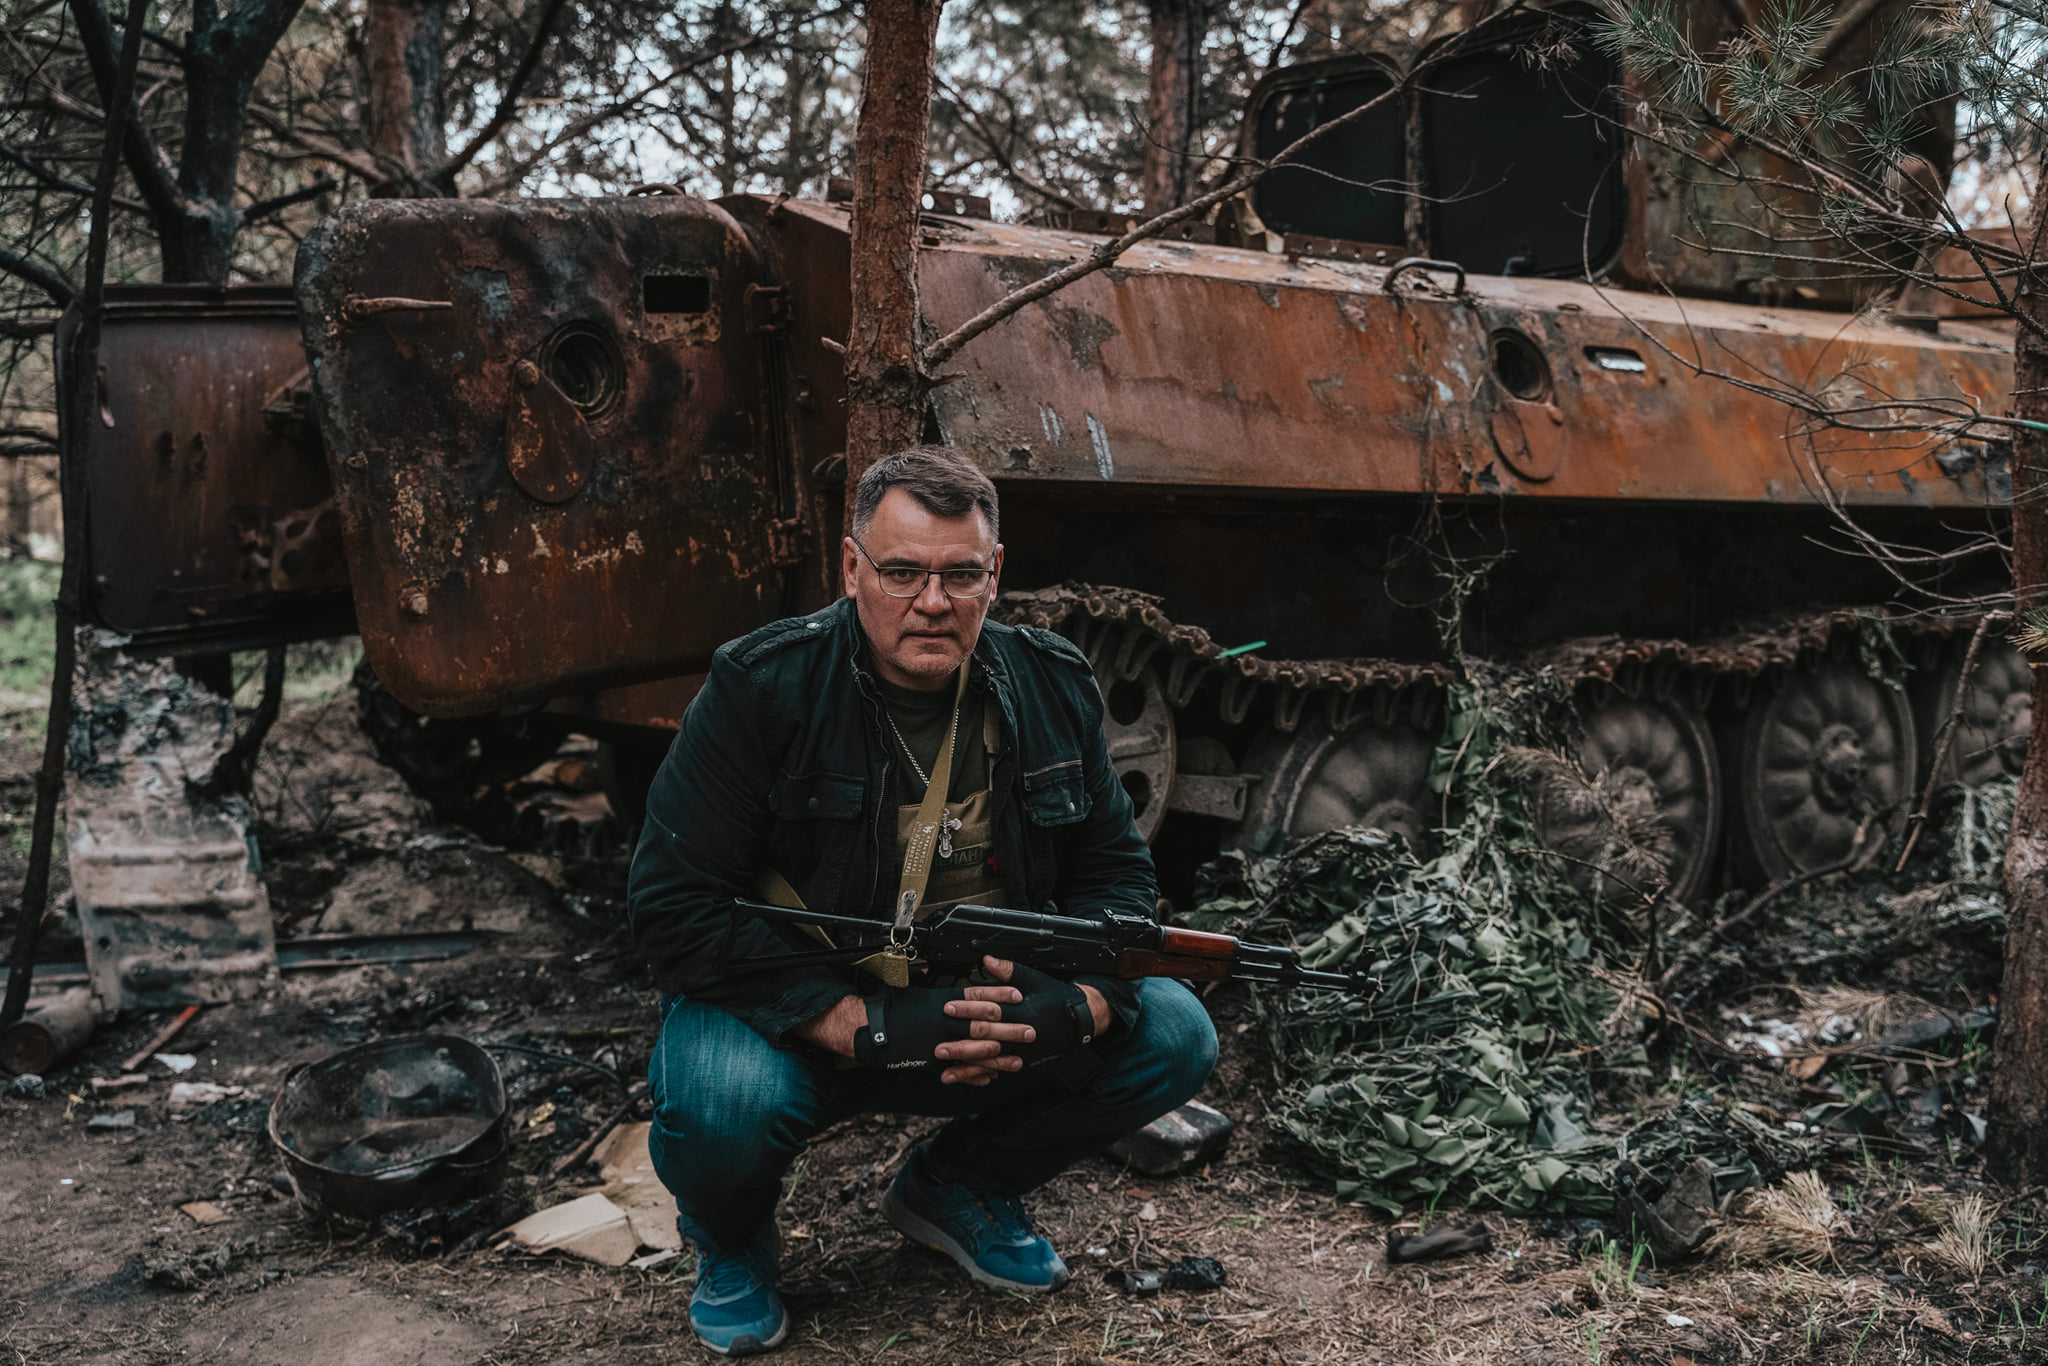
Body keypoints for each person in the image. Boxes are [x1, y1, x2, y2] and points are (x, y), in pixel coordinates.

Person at [629, 446, 1218, 1356]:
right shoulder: (763, 686)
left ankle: (958, 1187)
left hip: (983, 1018)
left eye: (960, 574)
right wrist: (852, 1024)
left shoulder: (1051, 682)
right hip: (801, 1016)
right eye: (902, 572)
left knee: (1175, 1033)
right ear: (852, 568)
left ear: (996, 574)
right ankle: (733, 1241)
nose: (932, 601)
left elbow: (1115, 875)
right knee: (723, 1098)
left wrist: (1076, 1007)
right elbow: (673, 906)